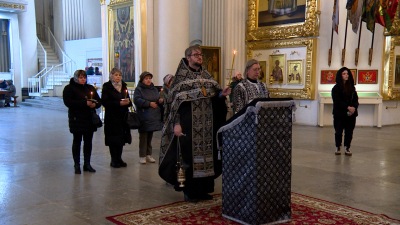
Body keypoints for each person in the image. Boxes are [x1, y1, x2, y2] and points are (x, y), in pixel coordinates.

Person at [159, 45, 231, 203]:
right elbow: (173, 104)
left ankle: (203, 190)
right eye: (196, 55)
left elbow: (214, 98)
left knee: (207, 157)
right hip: (189, 126)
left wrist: (221, 95)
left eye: (200, 55)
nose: (199, 57)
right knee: (190, 158)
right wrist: (176, 124)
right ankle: (190, 192)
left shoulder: (206, 77)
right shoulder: (181, 79)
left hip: (207, 127)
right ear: (188, 58)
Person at [63, 70, 101, 174]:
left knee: (88, 142)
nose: (82, 79)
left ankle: (87, 164)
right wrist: (85, 103)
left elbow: (98, 100)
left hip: (89, 119)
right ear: (76, 78)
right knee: (77, 141)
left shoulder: (89, 88)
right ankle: (77, 164)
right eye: (80, 77)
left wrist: (95, 104)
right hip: (77, 119)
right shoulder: (69, 88)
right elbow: (68, 102)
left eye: (84, 77)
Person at [102, 68, 132, 168]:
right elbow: (105, 102)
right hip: (112, 117)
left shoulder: (123, 86)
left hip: (122, 117)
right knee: (113, 139)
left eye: (119, 75)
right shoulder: (107, 86)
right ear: (111, 76)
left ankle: (119, 158)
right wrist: (118, 103)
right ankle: (113, 159)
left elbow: (129, 101)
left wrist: (128, 102)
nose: (118, 77)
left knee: (121, 139)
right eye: (115, 75)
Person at [134, 71, 163, 164]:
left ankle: (148, 154)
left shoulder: (154, 89)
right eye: (146, 78)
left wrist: (160, 101)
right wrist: (149, 103)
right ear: (142, 80)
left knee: (150, 136)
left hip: (153, 115)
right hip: (144, 115)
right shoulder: (139, 89)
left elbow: (156, 99)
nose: (148, 80)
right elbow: (137, 100)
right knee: (143, 137)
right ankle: (142, 155)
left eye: (149, 78)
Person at [332, 67, 359, 156]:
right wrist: (347, 107)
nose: (346, 75)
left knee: (349, 132)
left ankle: (347, 147)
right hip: (340, 114)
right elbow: (337, 101)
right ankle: (338, 147)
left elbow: (355, 99)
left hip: (351, 114)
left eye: (347, 74)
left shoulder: (352, 88)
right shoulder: (336, 88)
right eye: (344, 74)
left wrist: (353, 108)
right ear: (340, 75)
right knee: (339, 132)